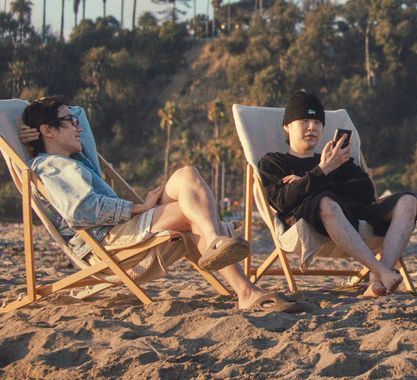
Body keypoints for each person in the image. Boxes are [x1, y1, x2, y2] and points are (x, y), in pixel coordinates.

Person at [21, 97, 303, 313]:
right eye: (69, 122)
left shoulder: (76, 159)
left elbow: (79, 111)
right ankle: (242, 285)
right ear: (48, 130)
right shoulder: (50, 166)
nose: (77, 125)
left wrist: (38, 131)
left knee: (187, 175)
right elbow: (81, 211)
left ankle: (215, 238)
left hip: (119, 229)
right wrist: (137, 209)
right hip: (106, 242)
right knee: (193, 214)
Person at [257, 91, 417, 298]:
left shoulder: (337, 157)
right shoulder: (274, 161)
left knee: (408, 201)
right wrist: (321, 171)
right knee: (325, 201)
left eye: (317, 122)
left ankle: (377, 282)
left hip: (354, 212)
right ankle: (381, 272)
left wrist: (311, 180)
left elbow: (366, 191)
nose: (312, 127)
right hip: (313, 217)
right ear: (287, 126)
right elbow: (281, 201)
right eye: (304, 121)